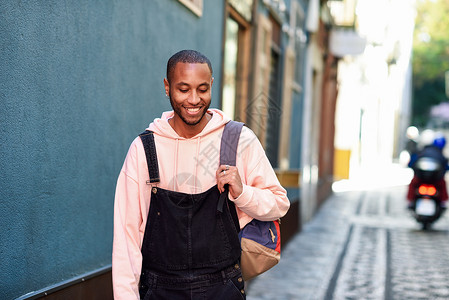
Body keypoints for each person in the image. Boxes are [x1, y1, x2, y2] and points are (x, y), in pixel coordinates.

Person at [112, 49, 290, 299]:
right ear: (167, 87)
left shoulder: (237, 140)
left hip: (223, 288)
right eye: (183, 89)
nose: (194, 99)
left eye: (202, 89)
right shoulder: (144, 149)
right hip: (159, 290)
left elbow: (279, 205)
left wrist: (242, 192)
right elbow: (126, 237)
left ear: (212, 85)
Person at [407, 133, 449, 207]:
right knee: (442, 183)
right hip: (435, 181)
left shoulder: (422, 151)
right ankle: (443, 203)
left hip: (421, 179)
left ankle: (410, 201)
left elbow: (411, 163)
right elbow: (445, 168)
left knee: (413, 183)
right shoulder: (441, 155)